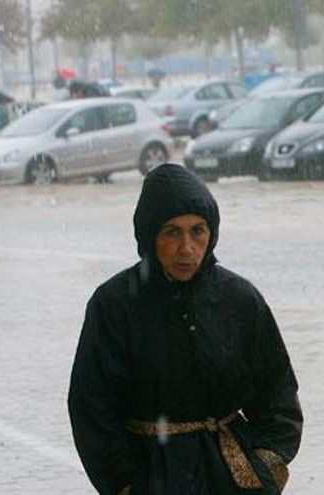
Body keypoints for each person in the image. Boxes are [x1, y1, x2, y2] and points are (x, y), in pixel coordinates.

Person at [68, 163, 302, 495]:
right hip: (152, 476)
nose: (187, 248)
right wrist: (124, 484)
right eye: (172, 232)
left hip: (232, 477)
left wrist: (266, 467)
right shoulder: (114, 305)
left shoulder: (239, 299)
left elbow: (277, 394)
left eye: (197, 230)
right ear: (150, 235)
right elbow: (93, 407)